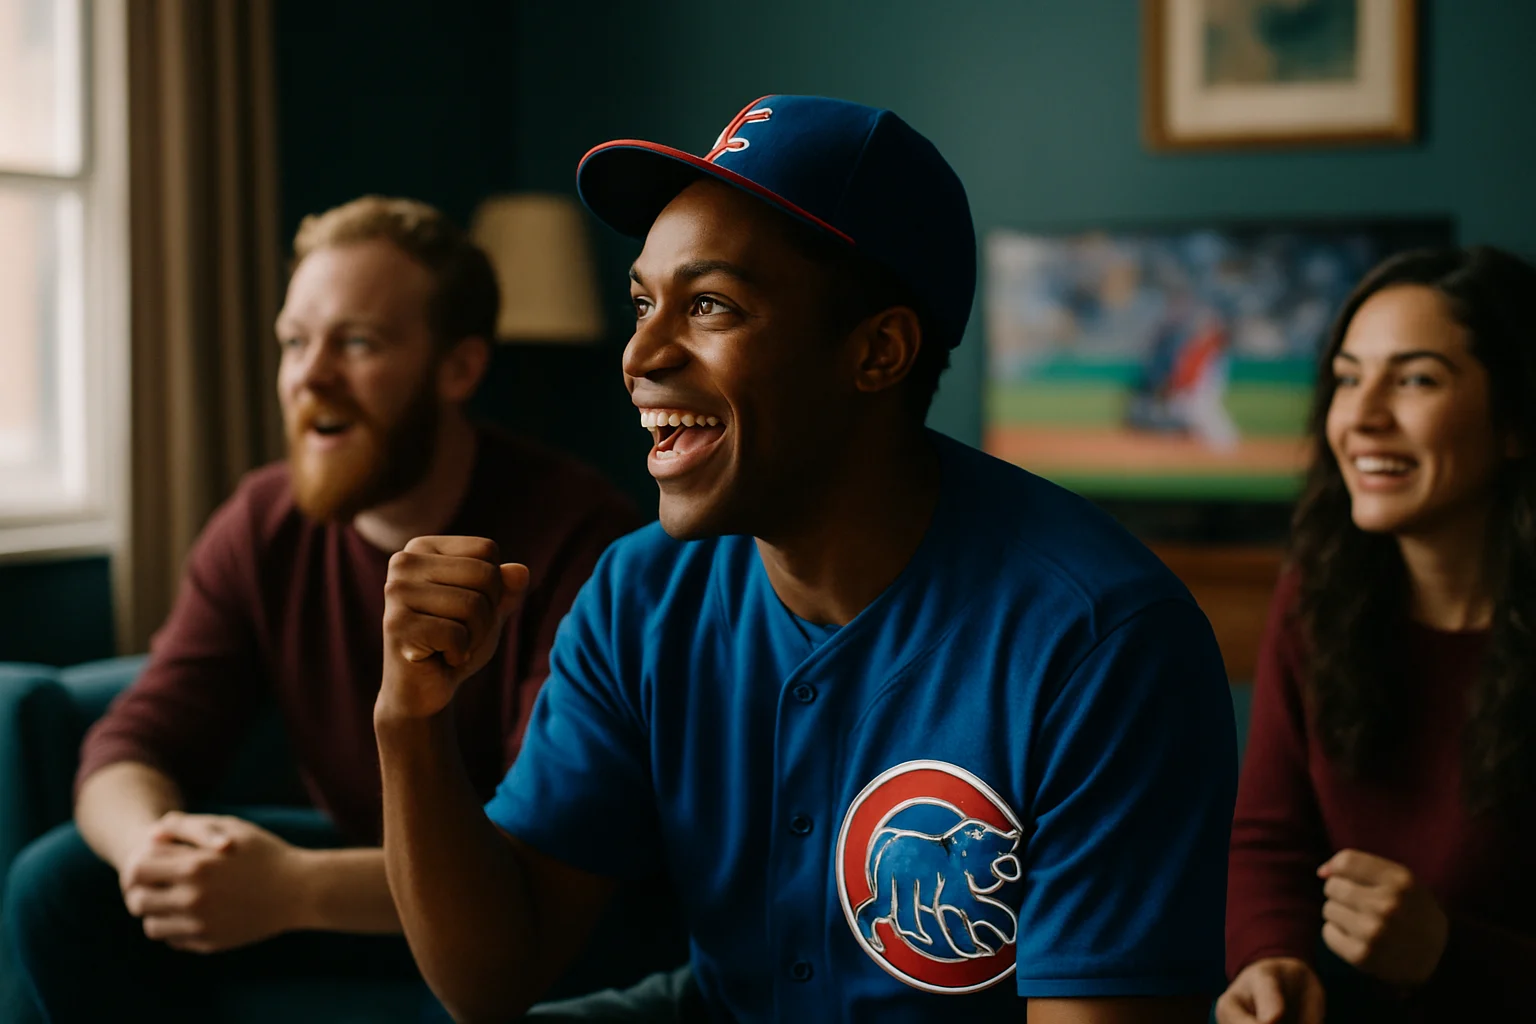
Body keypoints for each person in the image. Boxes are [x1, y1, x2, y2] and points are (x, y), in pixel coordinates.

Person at [374, 95, 1237, 1023]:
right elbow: (489, 979)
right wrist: (410, 722)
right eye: (642, 304)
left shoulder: (1101, 641)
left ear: (877, 352)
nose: (640, 354)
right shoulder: (638, 593)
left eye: (709, 305)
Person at [2, 196, 643, 1021]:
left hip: (527, 922)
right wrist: (156, 854)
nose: (311, 374)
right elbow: (135, 740)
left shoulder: (581, 541)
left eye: (358, 342)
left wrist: (293, 889)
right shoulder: (265, 522)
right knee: (59, 885)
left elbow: (538, 859)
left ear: (459, 369)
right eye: (296, 342)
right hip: (365, 871)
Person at [1218, 246, 1536, 1024]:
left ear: (1517, 423)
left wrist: (1448, 953)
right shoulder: (1314, 601)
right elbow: (1268, 836)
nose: (1361, 417)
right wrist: (1272, 959)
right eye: (1350, 378)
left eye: (1417, 378)